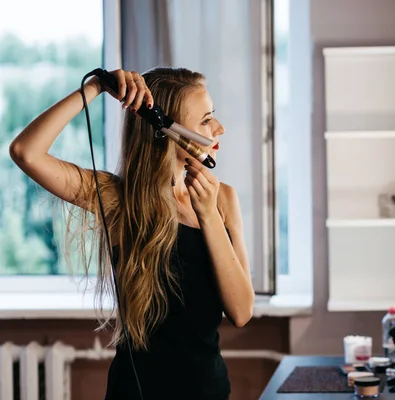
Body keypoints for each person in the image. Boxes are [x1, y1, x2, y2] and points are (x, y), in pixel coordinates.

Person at [9, 67, 255, 400]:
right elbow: (26, 151)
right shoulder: (117, 200)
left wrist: (208, 216)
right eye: (206, 120)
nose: (219, 129)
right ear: (165, 130)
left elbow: (241, 311)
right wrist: (97, 86)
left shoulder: (222, 199)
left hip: (210, 392)